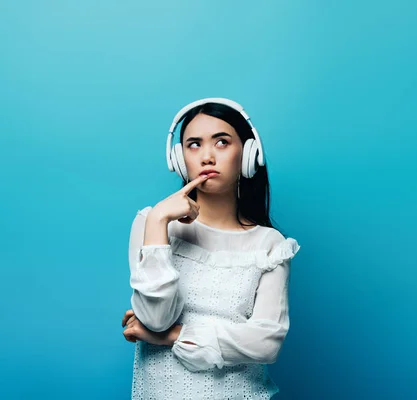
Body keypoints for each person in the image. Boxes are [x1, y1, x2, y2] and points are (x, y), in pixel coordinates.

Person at [121, 98, 300, 399]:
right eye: (193, 144)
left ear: (247, 154)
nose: (207, 156)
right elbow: (155, 317)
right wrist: (158, 222)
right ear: (179, 159)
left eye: (221, 142)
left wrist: (169, 337)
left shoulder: (271, 245)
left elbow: (266, 342)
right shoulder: (151, 224)